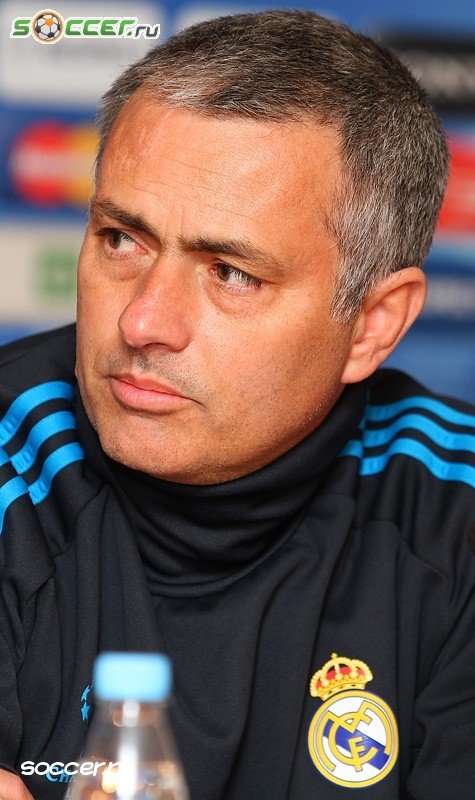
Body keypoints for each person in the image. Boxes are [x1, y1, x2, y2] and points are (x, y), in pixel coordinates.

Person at [0, 9, 473, 800]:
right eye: (121, 239)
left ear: (371, 325)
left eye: (231, 273)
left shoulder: (453, 511)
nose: (141, 322)